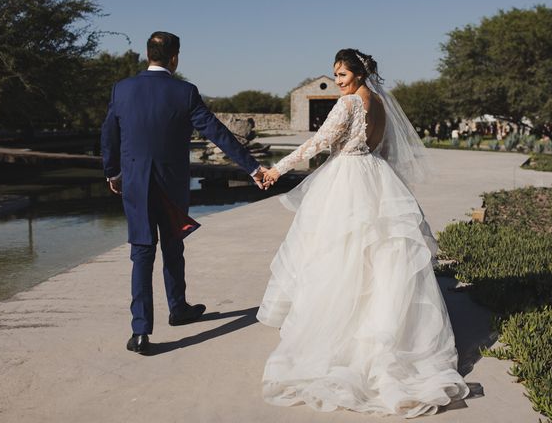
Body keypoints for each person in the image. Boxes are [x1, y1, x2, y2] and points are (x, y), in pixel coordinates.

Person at [258, 49, 469, 417]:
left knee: (340, 255)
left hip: (347, 180)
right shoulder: (380, 105)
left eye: (342, 74)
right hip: (375, 177)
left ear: (357, 73)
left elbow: (318, 143)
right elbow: (381, 147)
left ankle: (345, 338)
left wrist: (277, 169)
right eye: (335, 75)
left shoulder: (348, 105)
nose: (338, 81)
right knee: (380, 258)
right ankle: (387, 333)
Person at [101, 31, 266, 354]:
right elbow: (217, 132)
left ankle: (140, 331)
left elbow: (109, 134)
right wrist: (252, 167)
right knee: (173, 247)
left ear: (147, 54)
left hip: (136, 183)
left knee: (142, 253)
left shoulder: (122, 89)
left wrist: (113, 171)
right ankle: (177, 309)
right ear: (174, 57)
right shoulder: (184, 92)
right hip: (171, 185)